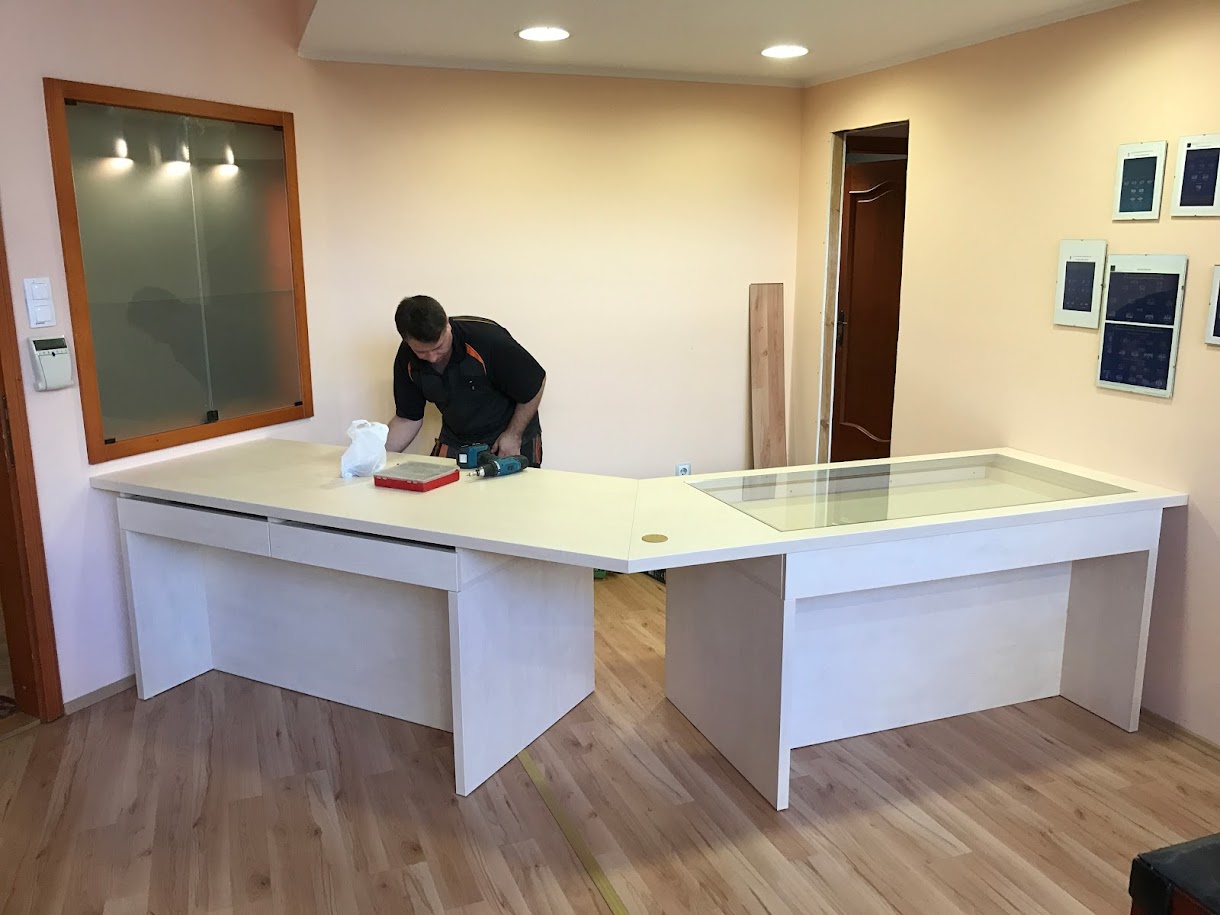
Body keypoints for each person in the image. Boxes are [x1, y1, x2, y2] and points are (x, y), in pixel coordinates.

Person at [387, 295, 546, 466]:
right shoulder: (407, 358)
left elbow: (535, 383)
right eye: (422, 352)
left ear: (447, 326)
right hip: (457, 438)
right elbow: (407, 419)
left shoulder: (487, 340)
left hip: (507, 434)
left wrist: (513, 435)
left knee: (512, 484)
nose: (432, 358)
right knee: (439, 481)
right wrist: (377, 456)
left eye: (439, 347)